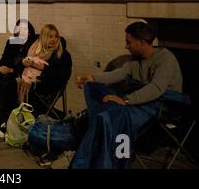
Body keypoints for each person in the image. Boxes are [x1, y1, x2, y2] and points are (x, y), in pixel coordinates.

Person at [72, 21, 182, 169]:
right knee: (98, 96)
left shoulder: (165, 58)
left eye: (129, 42)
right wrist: (92, 78)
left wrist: (126, 99)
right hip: (142, 101)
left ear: (142, 42)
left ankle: (116, 161)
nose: (126, 46)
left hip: (165, 105)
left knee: (115, 117)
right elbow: (117, 74)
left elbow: (156, 88)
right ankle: (96, 154)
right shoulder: (134, 61)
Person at [0, 24, 72, 134]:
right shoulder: (34, 48)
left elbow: (61, 78)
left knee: (10, 85)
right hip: (27, 79)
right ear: (43, 37)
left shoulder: (62, 55)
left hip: (45, 85)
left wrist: (42, 67)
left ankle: (4, 120)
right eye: (50, 36)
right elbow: (18, 59)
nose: (53, 39)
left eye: (55, 37)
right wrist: (22, 62)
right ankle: (3, 118)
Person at [0, 19, 37, 123]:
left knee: (1, 84)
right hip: (8, 71)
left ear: (29, 32)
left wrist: (11, 70)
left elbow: (27, 65)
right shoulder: (12, 42)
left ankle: (4, 117)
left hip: (20, 74)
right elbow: (4, 59)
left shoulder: (32, 44)